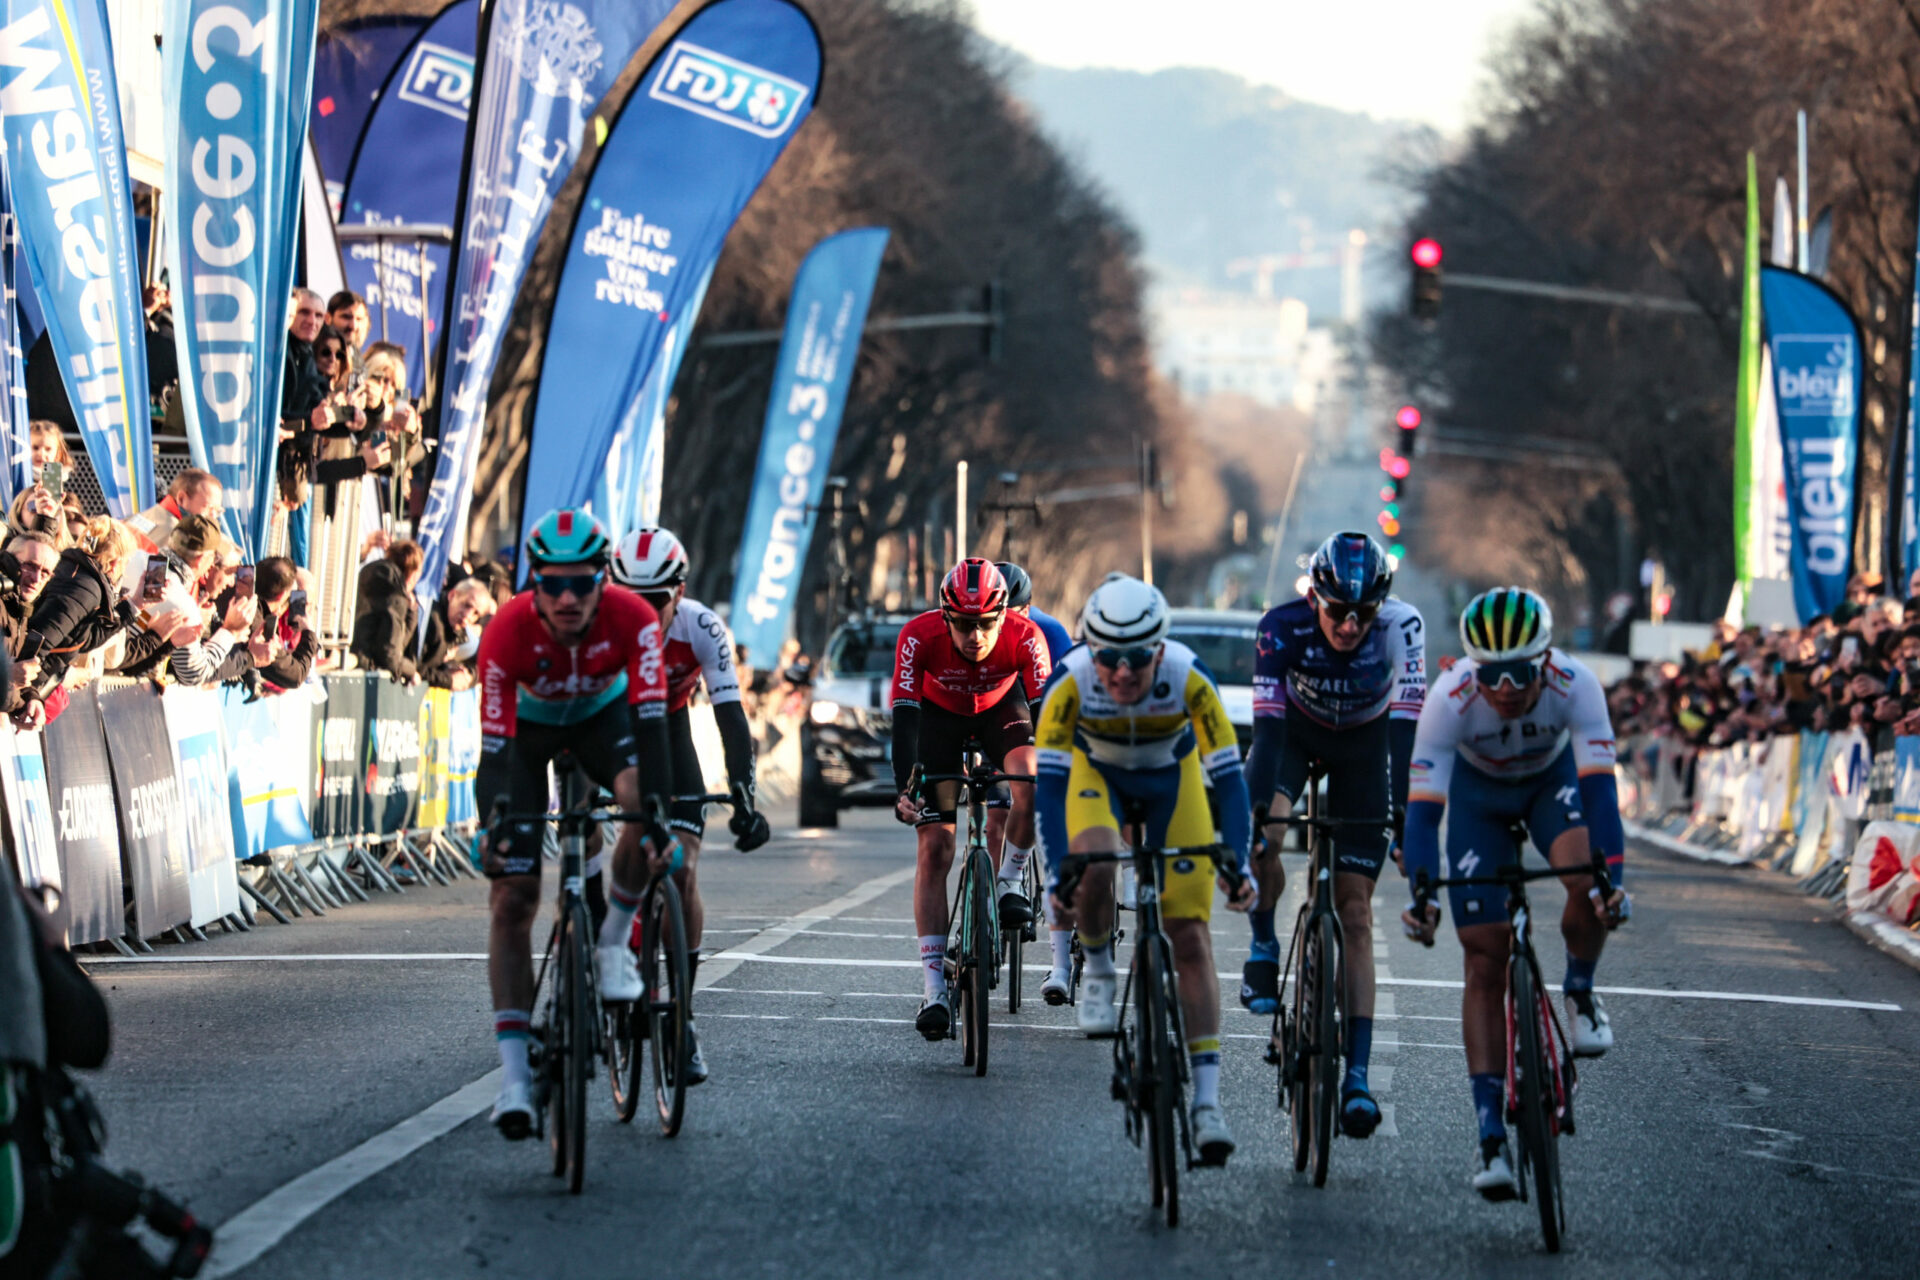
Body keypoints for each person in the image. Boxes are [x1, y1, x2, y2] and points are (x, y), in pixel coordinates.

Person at [1400, 586, 1627, 1201]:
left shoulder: (1576, 685)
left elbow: (1602, 795)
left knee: (1586, 877)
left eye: (1520, 673)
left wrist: (1615, 882)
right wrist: (1421, 895)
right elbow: (1422, 817)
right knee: (1482, 957)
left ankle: (1579, 991)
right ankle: (1489, 1135)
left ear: (1547, 662)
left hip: (1551, 784)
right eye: (1491, 674)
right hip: (1479, 799)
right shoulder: (1449, 699)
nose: (1504, 688)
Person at [1036, 573, 1254, 1163]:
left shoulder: (1189, 676)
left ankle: (1207, 1102)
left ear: (1160, 650)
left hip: (1171, 780)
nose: (1124, 672)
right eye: (1109, 658)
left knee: (1191, 936)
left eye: (1138, 658)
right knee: (1096, 863)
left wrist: (1237, 859)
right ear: (1090, 652)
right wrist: (1061, 874)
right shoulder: (1070, 682)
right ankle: (1101, 970)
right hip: (1096, 775)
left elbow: (1230, 781)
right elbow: (1050, 790)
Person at [474, 509, 675, 1139]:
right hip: (528, 737)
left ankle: (613, 942)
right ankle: (515, 1082)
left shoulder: (635, 619)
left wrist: (658, 822)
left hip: (603, 720)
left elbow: (652, 726)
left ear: (602, 582)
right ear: (534, 583)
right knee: (512, 896)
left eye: (582, 584)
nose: (567, 598)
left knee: (643, 804)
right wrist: (495, 827)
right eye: (552, 584)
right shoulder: (504, 632)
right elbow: (496, 754)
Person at [1241, 530, 1426, 1140]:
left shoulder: (1404, 628)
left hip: (1366, 750)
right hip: (1296, 737)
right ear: (1314, 597)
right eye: (1337, 611)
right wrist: (1258, 823)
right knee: (1263, 829)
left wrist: (1401, 818)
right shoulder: (1280, 625)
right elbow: (1265, 738)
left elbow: (1404, 736)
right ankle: (1264, 948)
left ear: (1382, 607)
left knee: (1356, 912)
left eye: (1363, 614)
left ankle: (1358, 1076)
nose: (1349, 626)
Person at [610, 527, 771, 1084]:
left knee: (683, 867)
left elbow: (731, 717)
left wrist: (744, 794)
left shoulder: (701, 625)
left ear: (679, 592)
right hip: (613, 728)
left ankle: (682, 1015)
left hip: (670, 729)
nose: (642, 612)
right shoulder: (601, 623)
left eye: (654, 602)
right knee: (612, 835)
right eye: (630, 599)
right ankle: (600, 946)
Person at [890, 559, 1050, 1041]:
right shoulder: (918, 636)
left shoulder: (1026, 636)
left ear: (1004, 616)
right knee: (935, 847)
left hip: (1002, 710)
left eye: (985, 624)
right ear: (945, 616)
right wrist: (905, 786)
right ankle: (934, 988)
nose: (975, 636)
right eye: (962, 624)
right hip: (939, 717)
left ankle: (1007, 880)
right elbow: (904, 718)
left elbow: (1048, 716)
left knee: (1032, 779)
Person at [994, 560, 1075, 996]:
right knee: (992, 817)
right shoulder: (977, 631)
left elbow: (1058, 703)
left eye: (1013, 616)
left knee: (1040, 802)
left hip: (1038, 723)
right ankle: (988, 903)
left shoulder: (1051, 633)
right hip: (994, 723)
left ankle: (1017, 872)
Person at [352, 540, 433, 681]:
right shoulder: (395, 598)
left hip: (351, 659)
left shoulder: (368, 573)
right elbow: (390, 655)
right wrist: (412, 670)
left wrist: (411, 613)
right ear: (413, 573)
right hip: (366, 669)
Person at [125, 468, 223, 554]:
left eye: (217, 511)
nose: (213, 516)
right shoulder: (179, 537)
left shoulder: (138, 518)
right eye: (208, 508)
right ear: (181, 498)